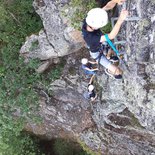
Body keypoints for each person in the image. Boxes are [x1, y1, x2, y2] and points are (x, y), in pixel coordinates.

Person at [82, 0, 128, 79]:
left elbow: (107, 7)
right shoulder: (91, 38)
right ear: (95, 27)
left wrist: (115, 1)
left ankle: (110, 58)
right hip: (96, 53)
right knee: (117, 72)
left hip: (99, 45)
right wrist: (120, 19)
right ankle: (111, 72)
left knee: (109, 51)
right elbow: (110, 36)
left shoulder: (91, 18)